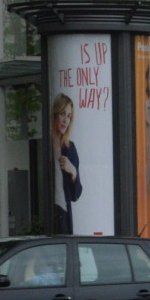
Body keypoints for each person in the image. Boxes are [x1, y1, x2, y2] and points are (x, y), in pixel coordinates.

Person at [50, 93, 83, 235]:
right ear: (55, 114)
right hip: (47, 212)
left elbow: (76, 194)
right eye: (62, 114)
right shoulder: (46, 145)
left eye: (69, 116)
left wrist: (73, 172)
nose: (65, 120)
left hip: (63, 213)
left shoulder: (69, 148)